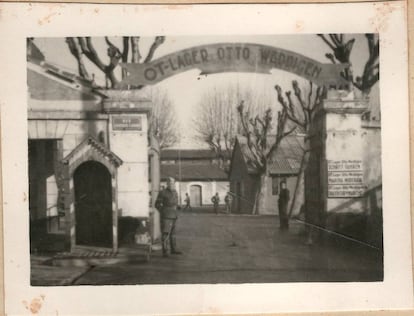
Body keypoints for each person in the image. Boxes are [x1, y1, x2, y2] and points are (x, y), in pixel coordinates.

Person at [155, 178, 183, 257]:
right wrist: (163, 211)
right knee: (166, 233)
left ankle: (173, 249)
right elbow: (157, 204)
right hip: (166, 216)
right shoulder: (163, 192)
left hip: (174, 215)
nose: (172, 184)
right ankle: (165, 251)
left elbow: (175, 203)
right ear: (167, 183)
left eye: (173, 183)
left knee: (173, 233)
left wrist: (178, 206)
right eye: (170, 183)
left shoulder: (175, 192)